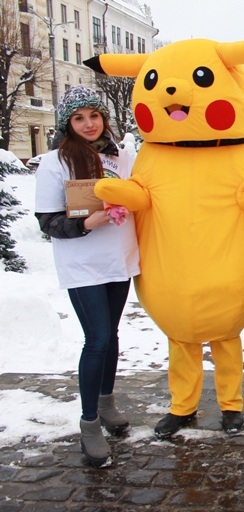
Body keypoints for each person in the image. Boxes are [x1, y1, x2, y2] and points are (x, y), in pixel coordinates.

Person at [34, 86, 139, 467]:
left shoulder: (123, 156)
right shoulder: (55, 162)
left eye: (94, 116)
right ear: (68, 123)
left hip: (119, 258)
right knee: (96, 339)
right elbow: (48, 222)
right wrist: (86, 224)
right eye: (79, 118)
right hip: (83, 263)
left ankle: (106, 402)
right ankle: (89, 423)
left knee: (110, 335)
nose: (89, 124)